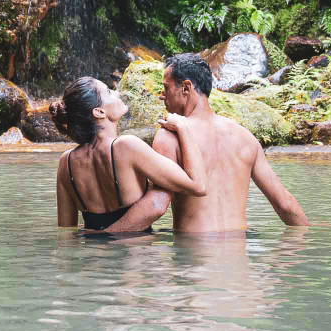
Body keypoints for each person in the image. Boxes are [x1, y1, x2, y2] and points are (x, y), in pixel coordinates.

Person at [119, 53, 308, 233]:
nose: (162, 95)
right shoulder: (245, 137)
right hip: (237, 259)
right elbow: (285, 204)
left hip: (196, 258)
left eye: (166, 88)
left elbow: (156, 205)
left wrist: (104, 235)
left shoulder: (170, 136)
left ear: (186, 87)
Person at [54, 76, 209, 232]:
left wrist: (102, 239)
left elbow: (66, 231)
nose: (117, 93)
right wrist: (183, 127)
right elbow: (198, 186)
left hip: (91, 254)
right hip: (135, 254)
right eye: (109, 92)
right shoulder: (126, 146)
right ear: (99, 112)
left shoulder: (66, 162)